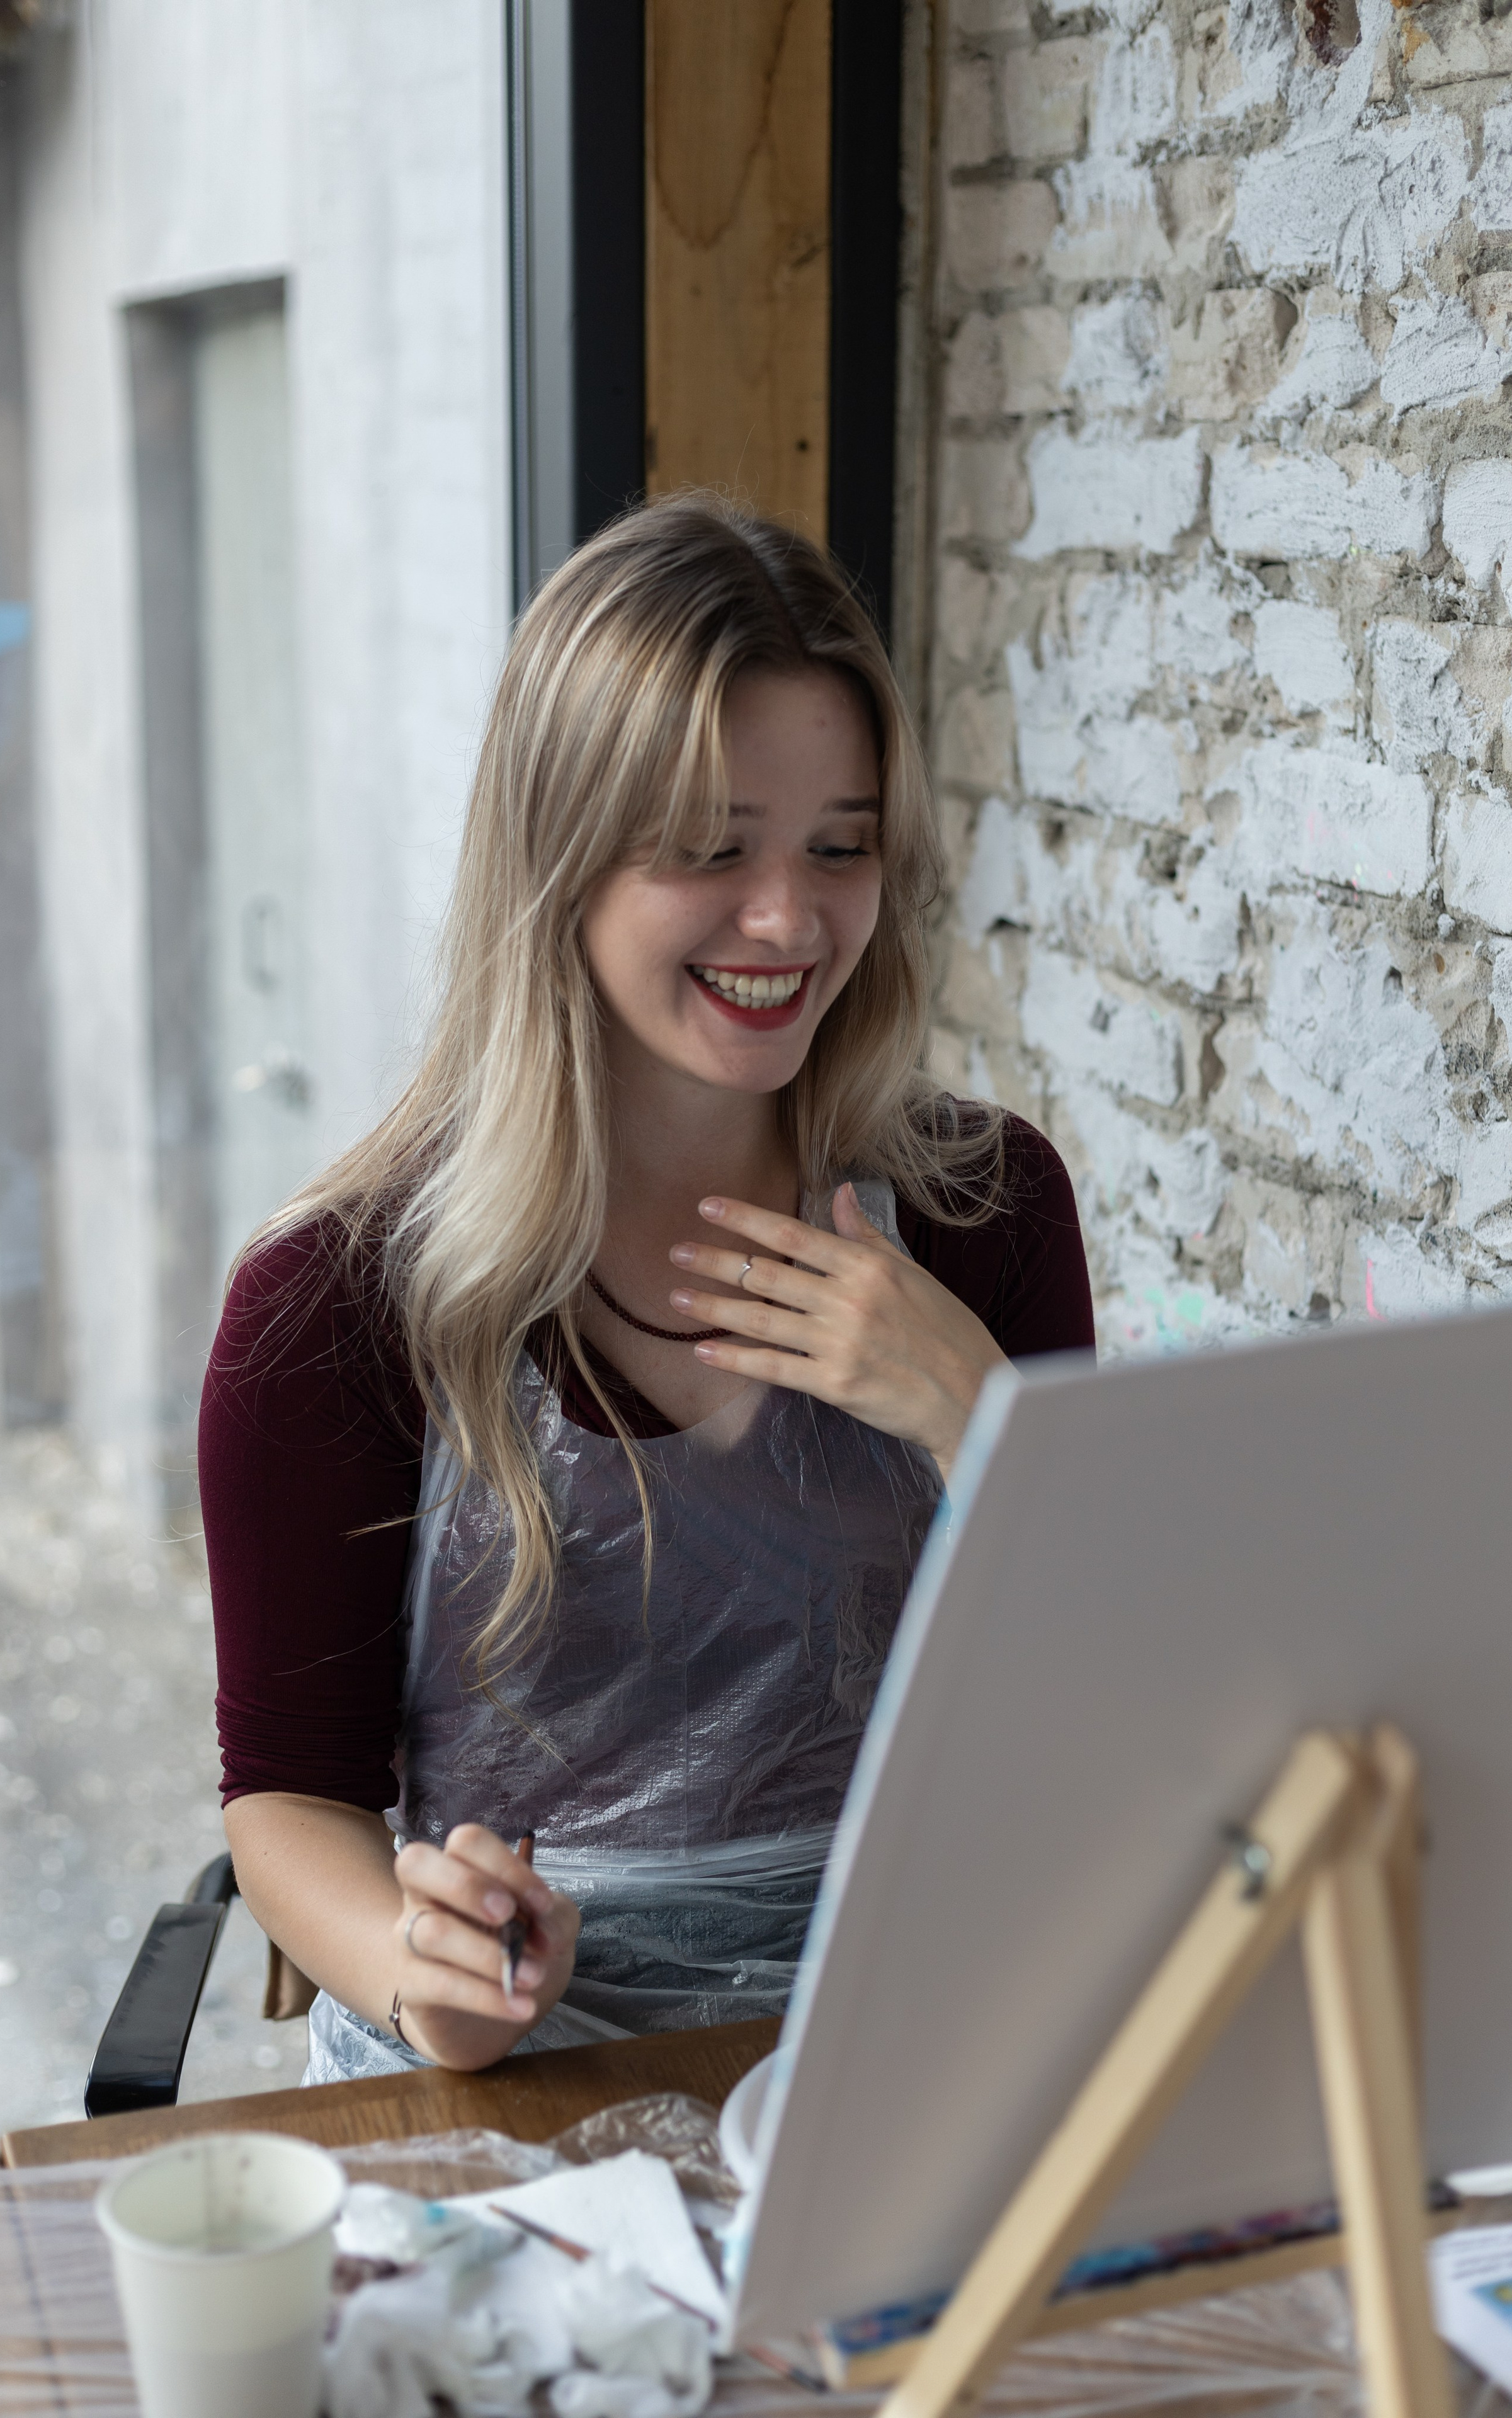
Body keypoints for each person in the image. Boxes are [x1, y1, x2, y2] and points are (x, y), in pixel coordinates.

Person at [202, 496, 1094, 2084]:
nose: (788, 919)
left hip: (921, 2029)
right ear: (559, 857)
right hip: (516, 2078)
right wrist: (430, 1975)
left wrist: (977, 1419)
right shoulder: (327, 1305)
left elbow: (1107, 1710)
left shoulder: (984, 1211)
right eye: (709, 847)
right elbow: (288, 1798)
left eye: (839, 844)